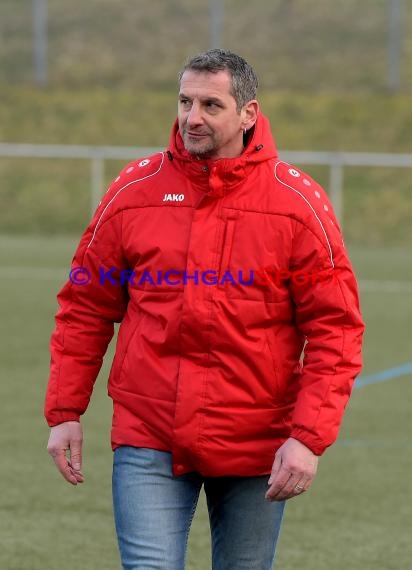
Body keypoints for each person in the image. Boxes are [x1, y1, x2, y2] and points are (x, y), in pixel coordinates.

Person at [45, 49, 364, 569]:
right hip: (148, 433)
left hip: (256, 442)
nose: (192, 117)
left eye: (211, 104)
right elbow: (85, 306)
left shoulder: (297, 205)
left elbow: (337, 330)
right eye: (185, 101)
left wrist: (307, 439)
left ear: (248, 113)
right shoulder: (133, 191)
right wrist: (64, 412)